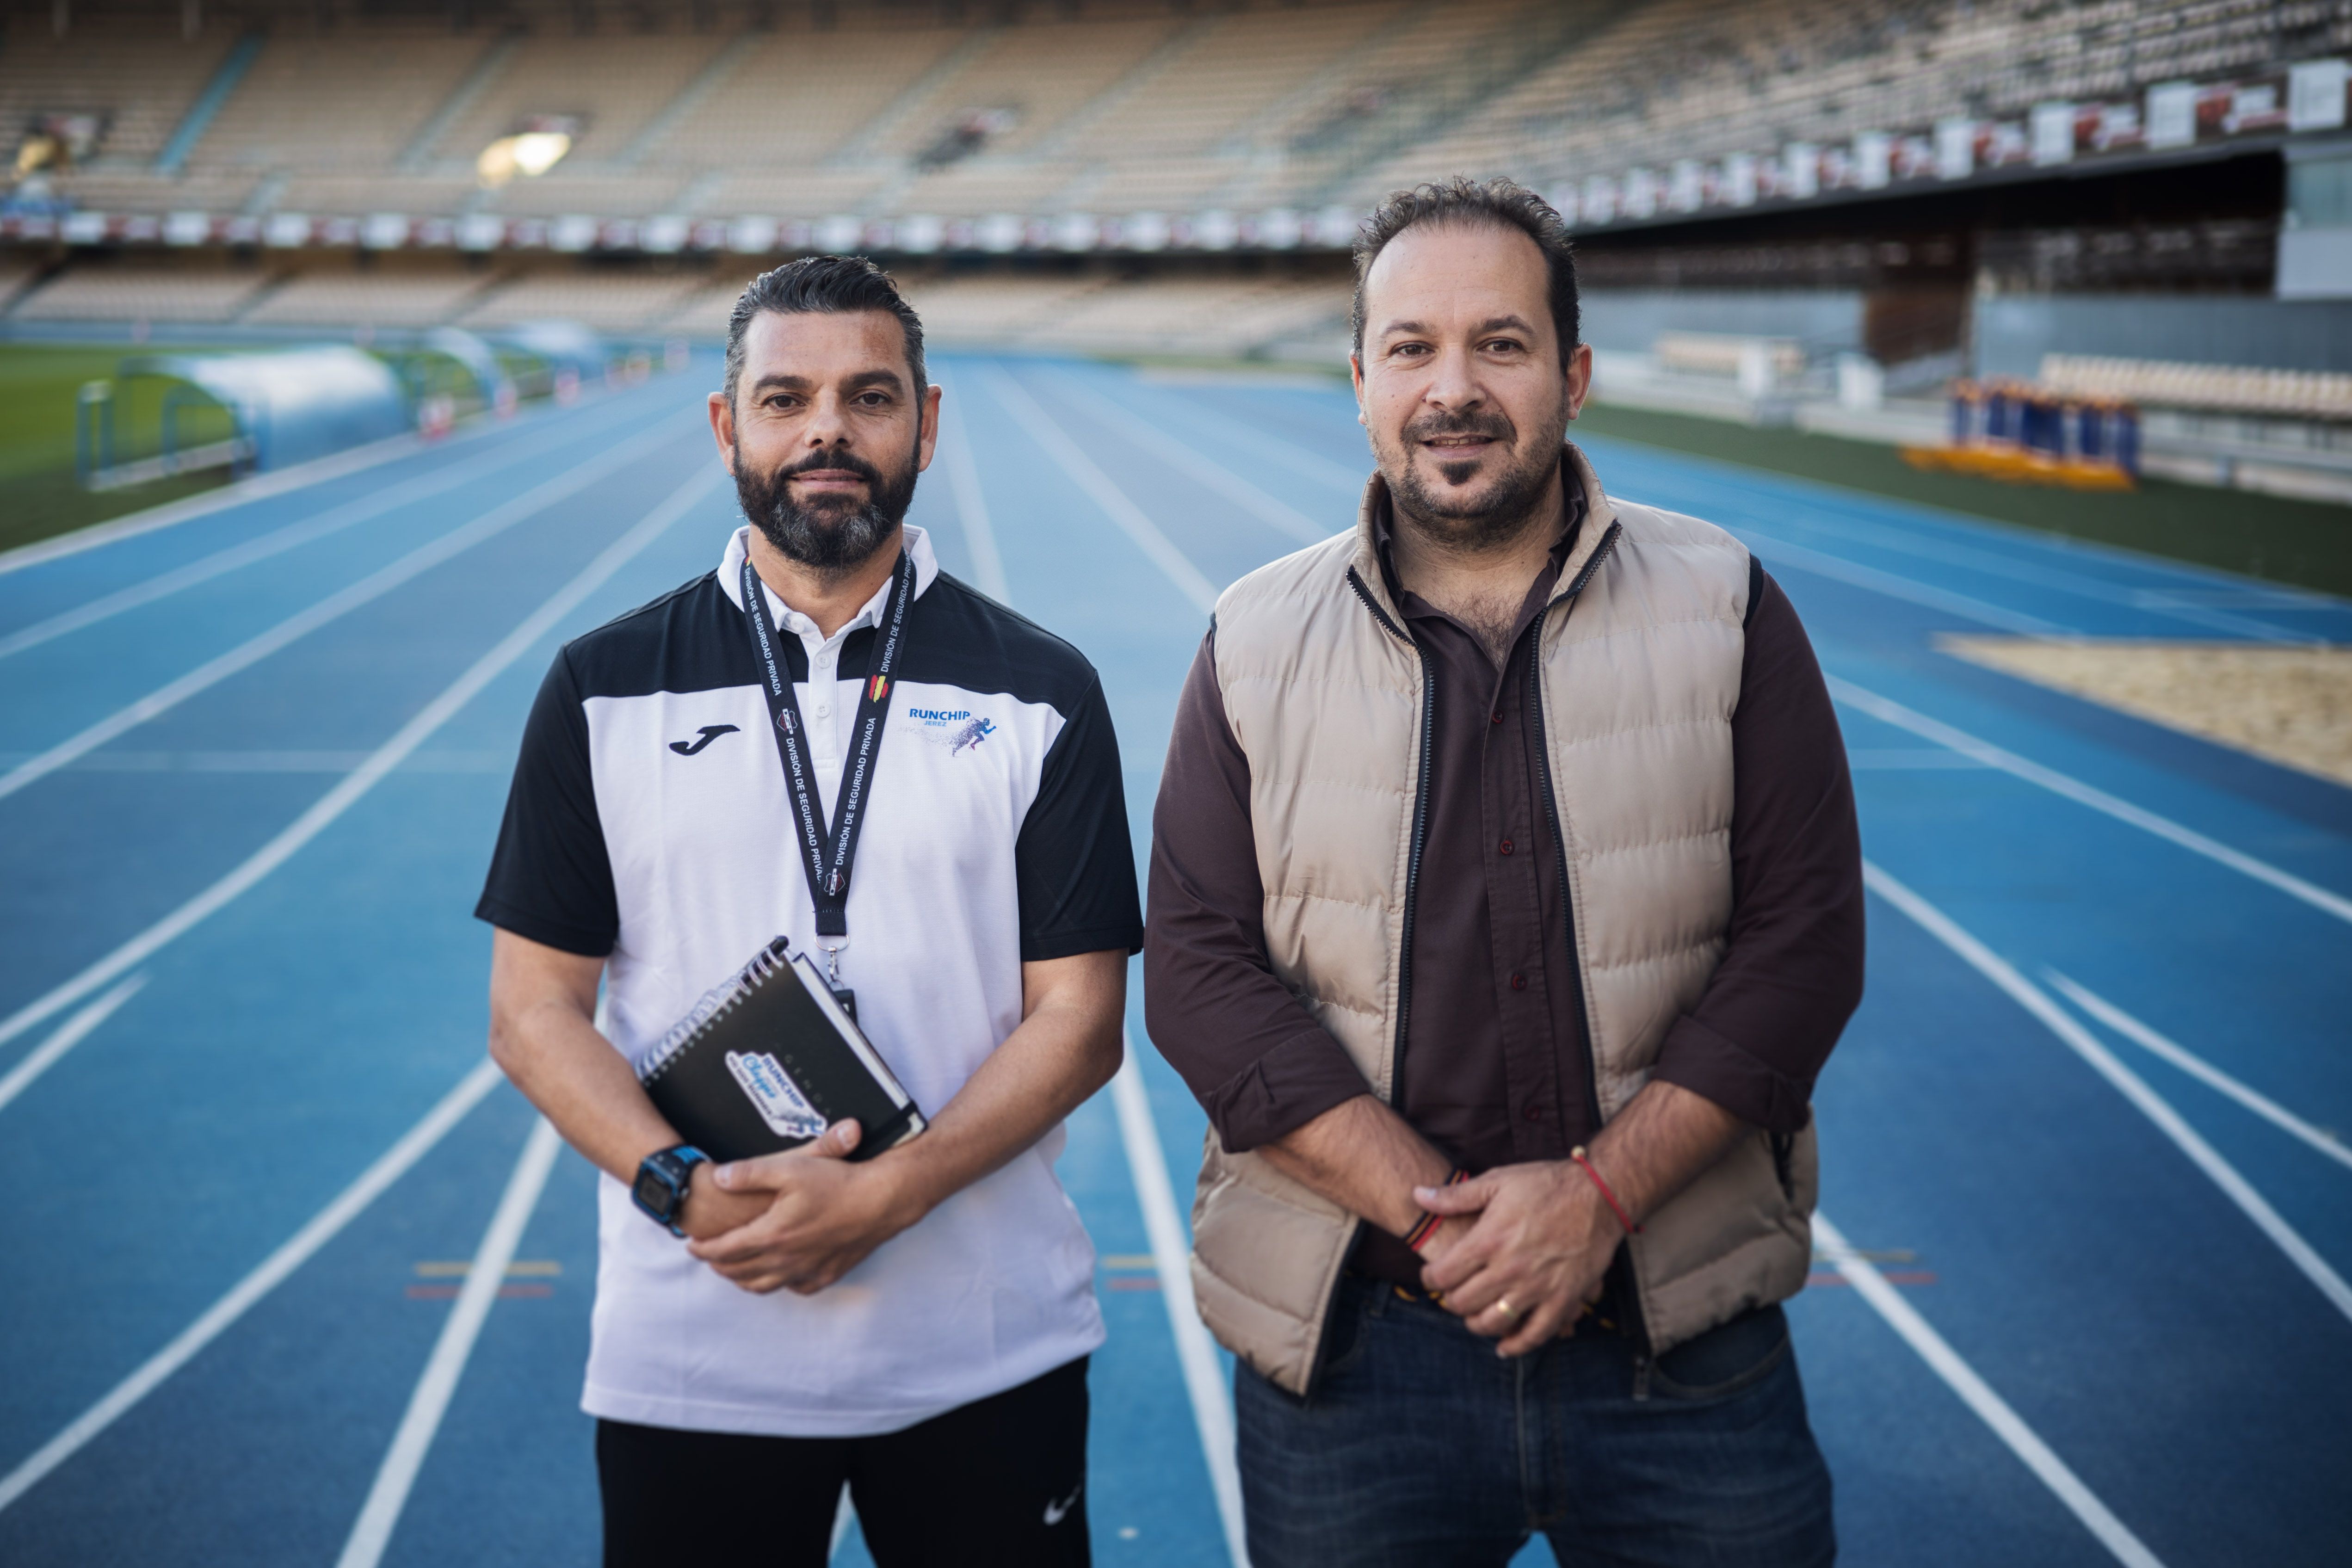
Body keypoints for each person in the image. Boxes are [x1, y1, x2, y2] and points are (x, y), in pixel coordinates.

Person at [1145, 177, 1864, 1566]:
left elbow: (1806, 943)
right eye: (1412, 348)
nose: (1453, 389)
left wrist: (1597, 1200)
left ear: (1573, 376)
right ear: (1362, 383)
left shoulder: (1725, 603)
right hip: (1360, 1352)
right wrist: (1445, 1226)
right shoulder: (1251, 639)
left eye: (1501, 344)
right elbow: (1197, 976)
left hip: (1676, 1342)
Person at [477, 256, 1140, 1568]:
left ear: (926, 425)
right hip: (694, 1354)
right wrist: (678, 1189)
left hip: (983, 1346)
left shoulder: (1043, 692)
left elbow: (1082, 1021)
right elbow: (532, 1011)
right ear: (727, 426)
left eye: (868, 397)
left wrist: (891, 1194)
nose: (826, 430)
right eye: (785, 399)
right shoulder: (602, 689)